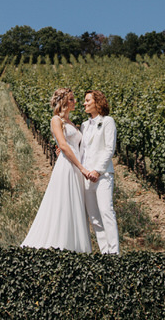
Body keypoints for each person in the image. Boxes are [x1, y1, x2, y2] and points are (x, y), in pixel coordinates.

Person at [21, 88, 93, 252]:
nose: (75, 102)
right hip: (68, 166)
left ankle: (74, 246)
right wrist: (81, 168)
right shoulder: (56, 120)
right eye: (72, 99)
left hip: (75, 165)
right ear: (64, 102)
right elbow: (63, 146)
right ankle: (60, 244)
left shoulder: (71, 123)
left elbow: (74, 146)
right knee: (64, 203)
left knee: (75, 204)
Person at [80, 90, 120, 254]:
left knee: (106, 212)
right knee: (94, 217)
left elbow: (109, 149)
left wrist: (97, 170)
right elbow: (82, 149)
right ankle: (105, 253)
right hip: (86, 177)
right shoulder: (83, 125)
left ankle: (114, 253)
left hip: (102, 175)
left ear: (97, 102)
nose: (84, 103)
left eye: (88, 100)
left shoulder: (107, 121)